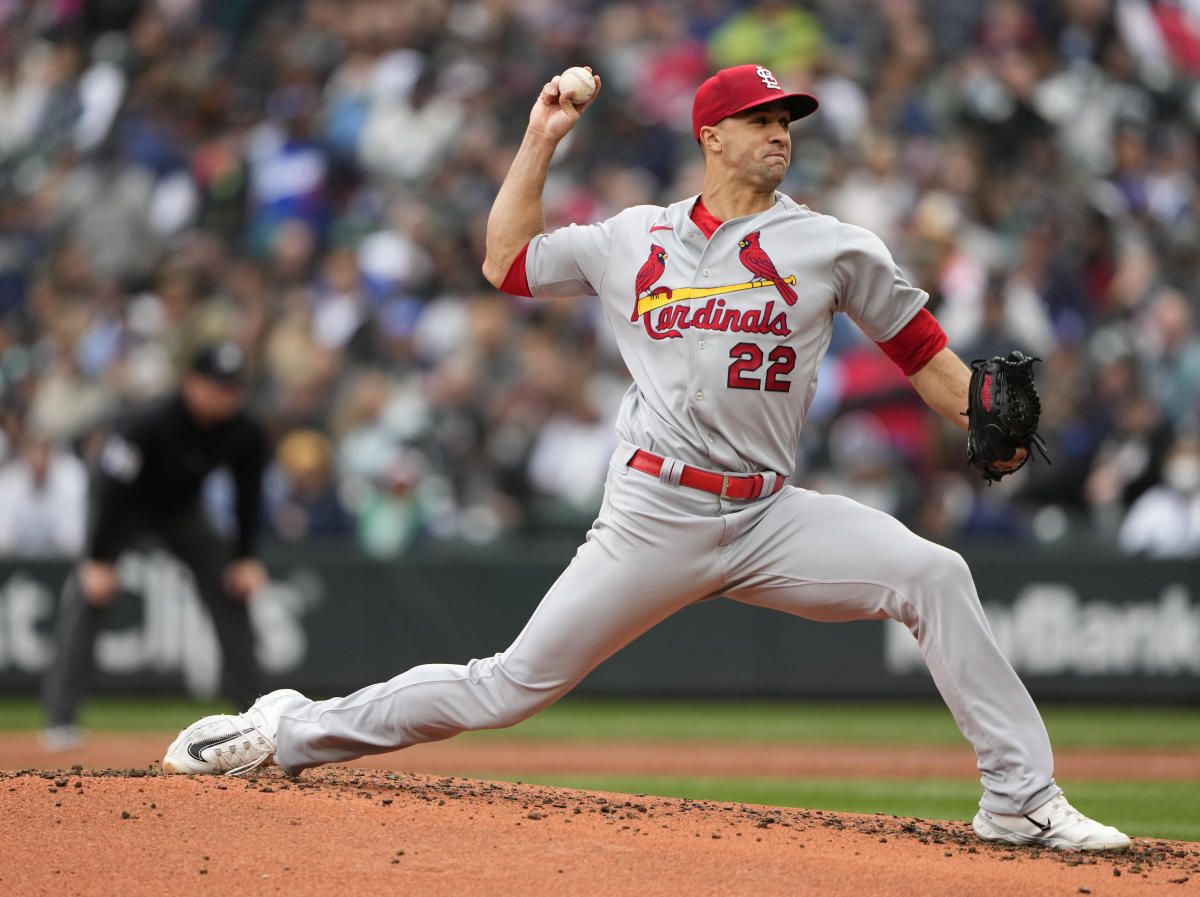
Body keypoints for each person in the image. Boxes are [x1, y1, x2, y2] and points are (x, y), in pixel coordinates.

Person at [163, 65, 1129, 852]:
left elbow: (923, 355)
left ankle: (1019, 798)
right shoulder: (635, 238)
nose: (780, 130)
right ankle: (284, 730)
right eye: (759, 117)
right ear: (711, 136)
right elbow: (505, 263)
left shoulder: (832, 246)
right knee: (507, 686)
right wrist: (542, 134)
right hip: (652, 514)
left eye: (787, 117)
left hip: (768, 513)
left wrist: (981, 412)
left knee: (934, 572)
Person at [42, 340, 268, 749]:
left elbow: (248, 495)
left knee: (230, 587)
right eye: (218, 386)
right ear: (191, 383)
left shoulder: (245, 431)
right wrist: (98, 558)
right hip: (124, 507)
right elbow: (111, 489)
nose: (227, 396)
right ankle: (60, 717)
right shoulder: (148, 422)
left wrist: (245, 558)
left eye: (234, 387)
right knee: (90, 595)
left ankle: (253, 715)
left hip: (182, 510)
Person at [0, 429, 88, 558]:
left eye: (44, 450)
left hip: (60, 565)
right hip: (17, 565)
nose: (38, 458)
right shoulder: (9, 481)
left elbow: (73, 542)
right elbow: (3, 539)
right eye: (32, 450)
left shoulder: (72, 477)